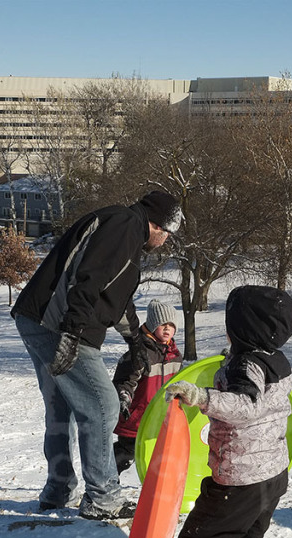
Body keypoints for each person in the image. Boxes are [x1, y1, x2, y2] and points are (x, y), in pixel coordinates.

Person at [11, 190, 182, 520]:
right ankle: (104, 497)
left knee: (61, 406)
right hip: (56, 324)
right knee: (102, 405)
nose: (165, 243)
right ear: (160, 227)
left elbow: (113, 297)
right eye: (169, 236)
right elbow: (87, 278)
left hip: (37, 318)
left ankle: (58, 488)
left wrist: (136, 340)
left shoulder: (122, 228)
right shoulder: (126, 225)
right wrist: (72, 335)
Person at [166, 285, 292, 538]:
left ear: (244, 328)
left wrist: (200, 397)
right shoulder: (275, 360)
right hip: (272, 474)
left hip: (241, 477)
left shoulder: (247, 364)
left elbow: (247, 404)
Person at [112, 299, 183, 474]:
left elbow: (180, 381)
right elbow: (125, 381)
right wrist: (124, 395)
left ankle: (157, 489)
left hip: (159, 419)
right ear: (152, 325)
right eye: (162, 324)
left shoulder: (175, 355)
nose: (167, 329)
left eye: (171, 325)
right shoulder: (139, 353)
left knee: (158, 456)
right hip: (135, 418)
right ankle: (105, 484)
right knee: (126, 454)